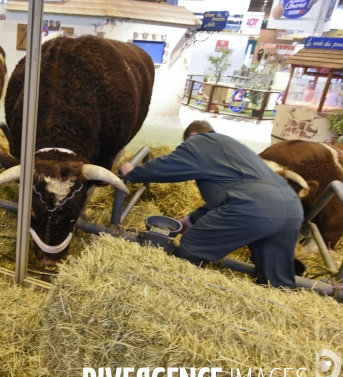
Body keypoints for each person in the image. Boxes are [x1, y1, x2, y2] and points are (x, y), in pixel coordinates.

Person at [119, 120, 303, 289]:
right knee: (276, 279)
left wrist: (133, 173)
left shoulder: (200, 142)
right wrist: (190, 220)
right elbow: (233, 194)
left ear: (192, 136)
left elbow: (168, 166)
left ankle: (181, 291)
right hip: (291, 207)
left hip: (254, 207)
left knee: (192, 244)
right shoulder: (232, 147)